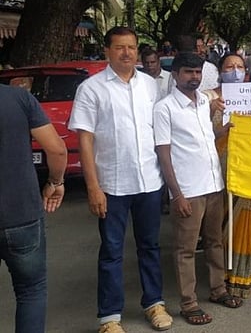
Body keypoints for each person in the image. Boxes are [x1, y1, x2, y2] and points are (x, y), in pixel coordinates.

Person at [69, 27, 173, 333]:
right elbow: (85, 140)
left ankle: (154, 303)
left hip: (149, 181)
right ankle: (109, 317)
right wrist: (92, 187)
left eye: (131, 47)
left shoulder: (150, 86)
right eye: (119, 47)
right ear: (107, 51)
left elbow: (163, 128)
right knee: (112, 251)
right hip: (112, 184)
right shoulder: (91, 88)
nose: (127, 53)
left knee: (150, 246)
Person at [153, 53, 241, 326]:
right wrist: (176, 194)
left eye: (198, 72)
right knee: (186, 249)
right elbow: (163, 153)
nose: (194, 77)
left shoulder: (204, 102)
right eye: (188, 72)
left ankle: (218, 289)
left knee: (215, 241)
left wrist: (226, 129)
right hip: (188, 189)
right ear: (176, 74)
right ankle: (188, 303)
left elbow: (205, 138)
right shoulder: (165, 108)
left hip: (213, 184)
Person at [205, 54, 251, 298]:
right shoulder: (207, 98)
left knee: (250, 215)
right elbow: (196, 132)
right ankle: (223, 274)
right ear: (220, 71)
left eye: (239, 67)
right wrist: (210, 111)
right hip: (220, 168)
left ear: (246, 71)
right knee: (222, 222)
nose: (234, 71)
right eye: (229, 67)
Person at [0, 84, 67, 333]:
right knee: (30, 291)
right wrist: (55, 182)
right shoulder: (18, 98)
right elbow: (57, 150)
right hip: (22, 215)